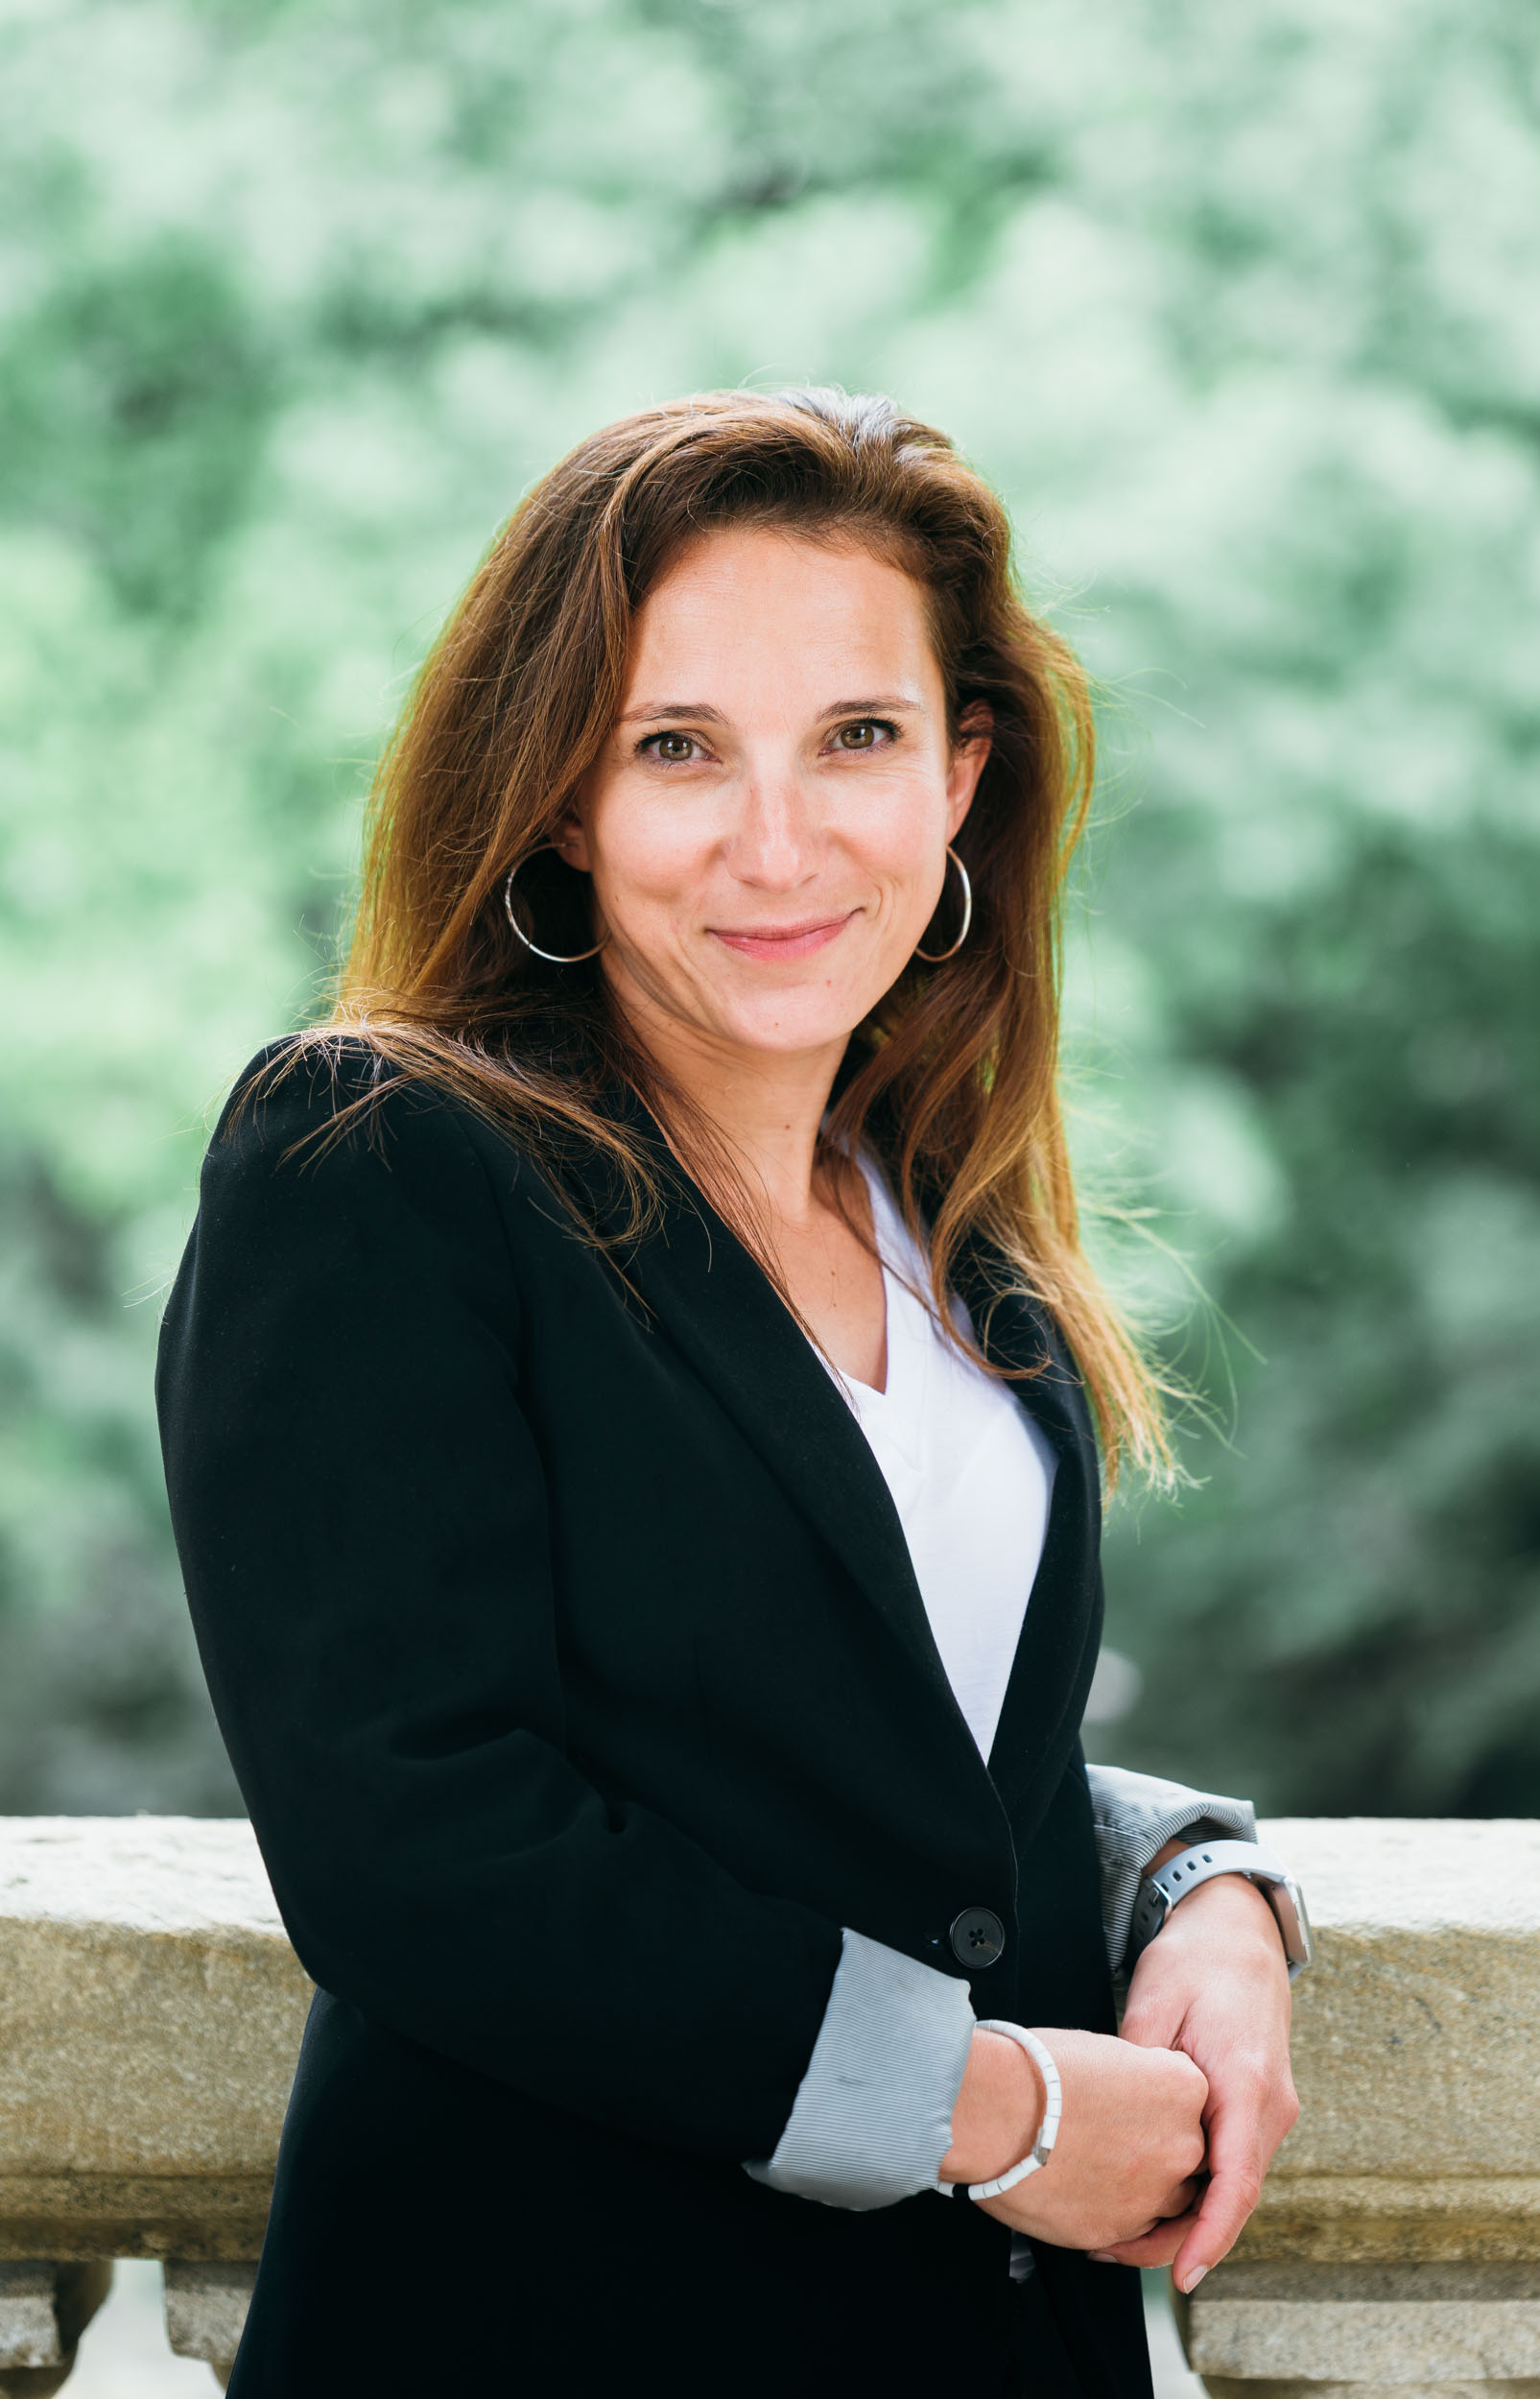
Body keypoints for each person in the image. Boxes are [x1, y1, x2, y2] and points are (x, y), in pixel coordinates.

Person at [155, 387, 1303, 2399]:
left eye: (857, 738)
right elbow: (420, 1839)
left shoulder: (956, 1234)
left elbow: (871, 1759)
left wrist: (1199, 1881)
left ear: (962, 776)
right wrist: (1000, 2102)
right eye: (676, 746)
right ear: (558, 799)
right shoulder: (379, 1160)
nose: (778, 839)